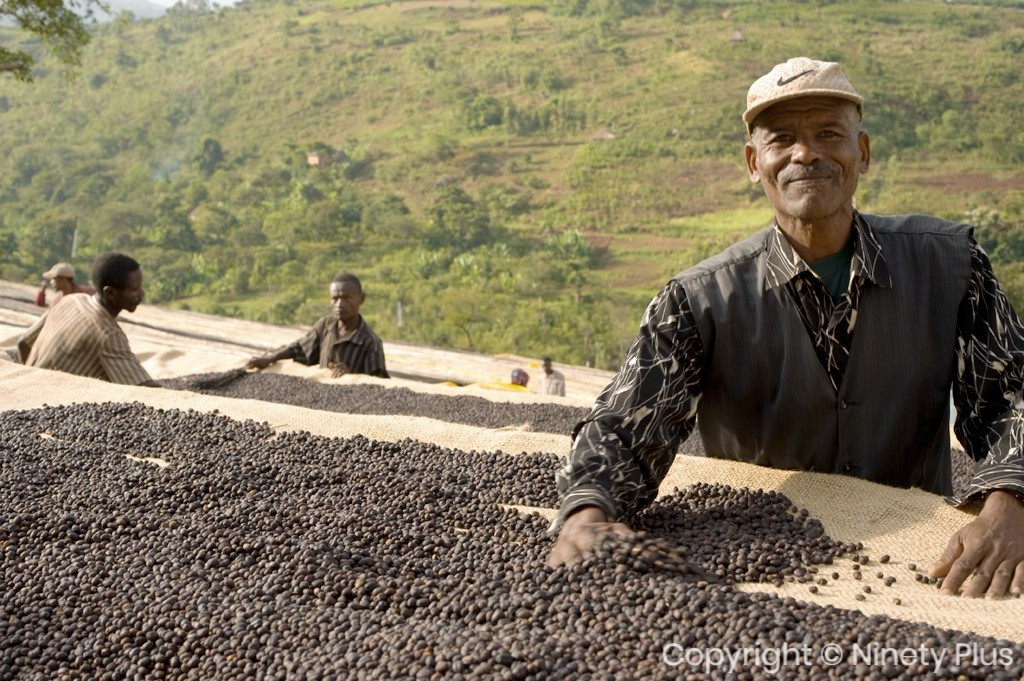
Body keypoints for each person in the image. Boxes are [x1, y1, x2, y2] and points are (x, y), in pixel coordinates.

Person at [548, 57, 1024, 599]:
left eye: (828, 134)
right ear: (755, 163)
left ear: (862, 152)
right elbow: (626, 425)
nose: (806, 153)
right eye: (782, 139)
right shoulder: (696, 300)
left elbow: (1012, 394)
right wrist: (587, 513)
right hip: (761, 562)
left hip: (920, 556)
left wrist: (1011, 501)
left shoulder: (951, 264)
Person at [20, 252, 157, 386]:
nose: (141, 293)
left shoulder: (69, 300)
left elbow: (23, 343)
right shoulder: (109, 335)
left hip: (24, 387)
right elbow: (145, 389)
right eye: (135, 289)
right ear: (110, 293)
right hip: (48, 398)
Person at [247, 273, 389, 379]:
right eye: (335, 298)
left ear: (361, 299)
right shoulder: (325, 325)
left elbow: (379, 385)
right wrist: (270, 359)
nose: (340, 304)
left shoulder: (370, 342)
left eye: (346, 298)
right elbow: (299, 348)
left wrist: (350, 374)